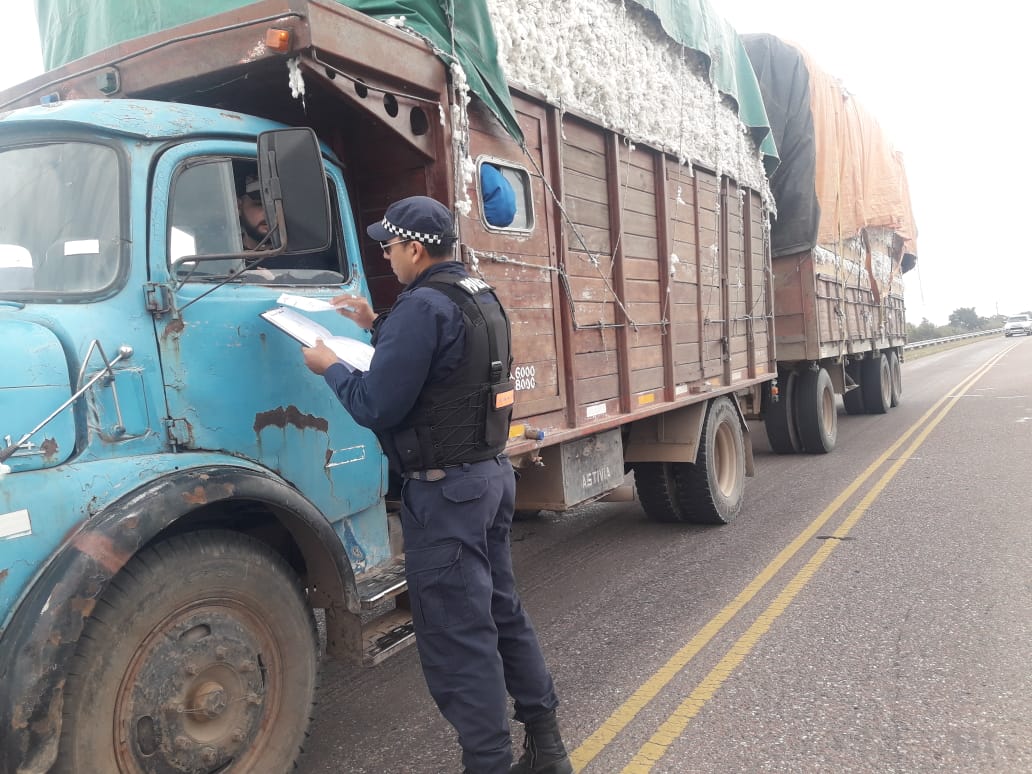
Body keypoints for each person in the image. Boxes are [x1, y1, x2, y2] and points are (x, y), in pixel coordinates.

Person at [301, 196, 572, 774]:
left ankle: (489, 765)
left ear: (416, 249)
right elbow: (446, 368)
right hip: (489, 480)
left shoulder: (422, 308)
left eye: (390, 246)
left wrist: (330, 366)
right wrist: (375, 325)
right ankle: (547, 749)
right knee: (502, 615)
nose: (386, 255)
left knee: (458, 637)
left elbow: (378, 403)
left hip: (447, 495)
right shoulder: (474, 293)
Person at [237, 173, 270, 250]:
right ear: (238, 206)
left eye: (279, 205)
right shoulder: (228, 257)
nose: (271, 213)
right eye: (260, 204)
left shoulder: (302, 251)